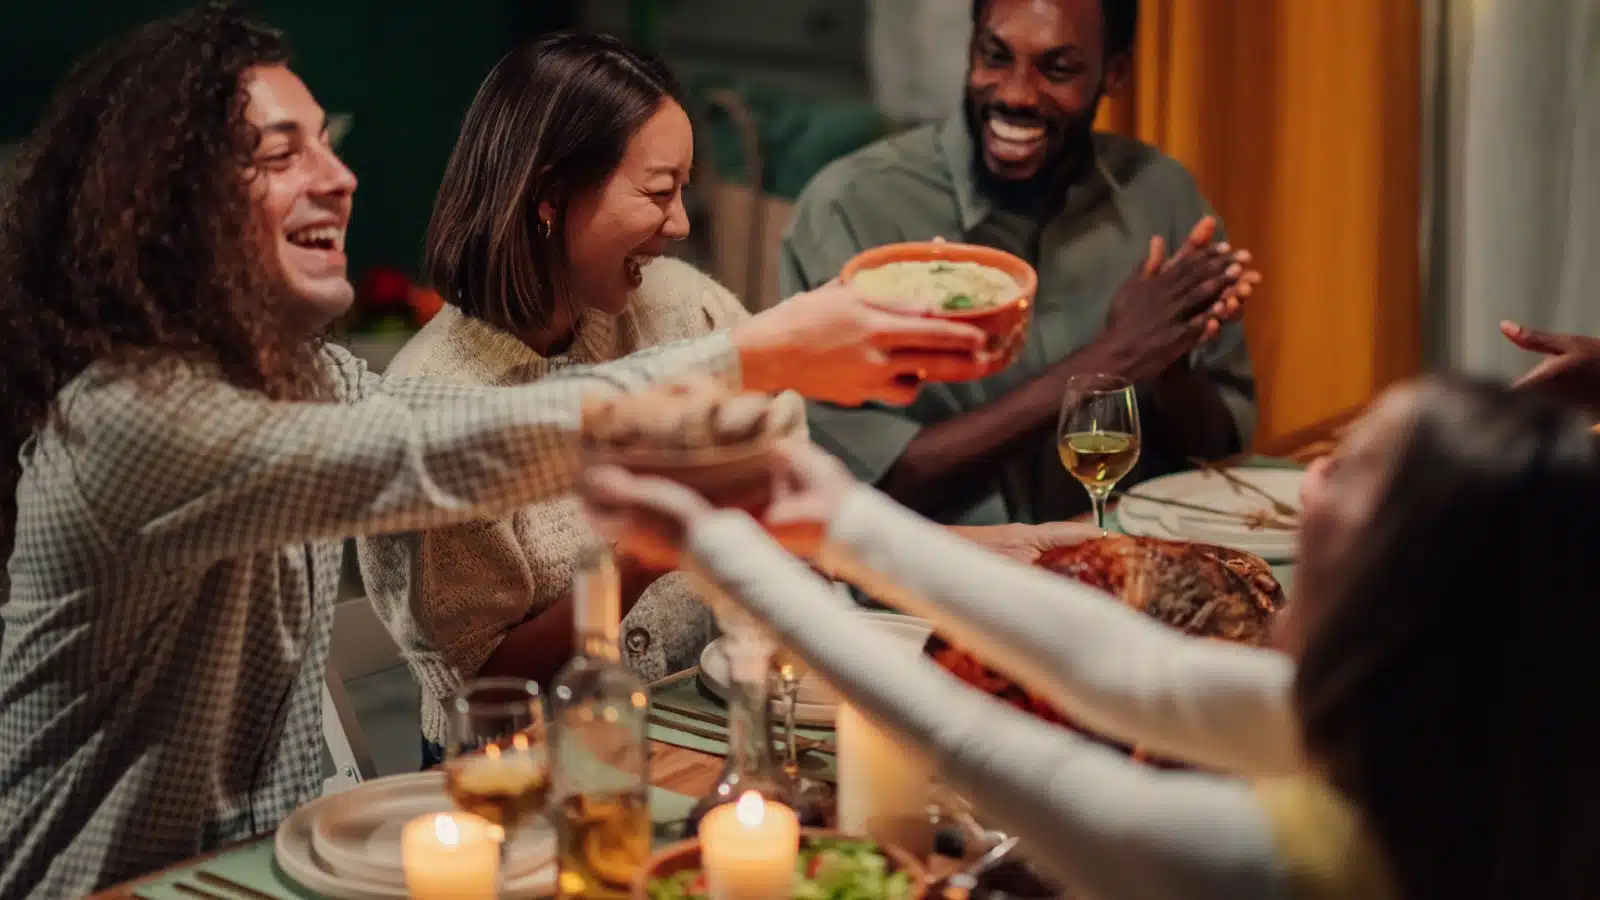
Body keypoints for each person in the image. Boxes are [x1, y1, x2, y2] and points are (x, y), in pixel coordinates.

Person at [0, 6, 991, 894]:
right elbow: (439, 451)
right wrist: (760, 352)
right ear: (169, 204)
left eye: (328, 145)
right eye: (280, 153)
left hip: (269, 862)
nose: (340, 177)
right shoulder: (127, 417)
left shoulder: (319, 379)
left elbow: (452, 432)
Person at [582, 376, 1600, 900]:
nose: (1310, 484)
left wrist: (721, 545)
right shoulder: (1441, 741)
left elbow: (969, 741)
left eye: (1354, 469)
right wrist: (835, 515)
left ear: (1410, 573)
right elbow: (1133, 668)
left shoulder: (1292, 864)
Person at [356, 33, 814, 769]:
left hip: (698, 724)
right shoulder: (433, 405)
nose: (681, 224)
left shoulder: (682, 307)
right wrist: (638, 561)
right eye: (659, 193)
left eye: (683, 190)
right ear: (550, 195)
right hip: (522, 771)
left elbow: (793, 482)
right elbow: (483, 686)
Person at [781, 0, 1261, 526]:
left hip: (1126, 556)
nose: (1016, 94)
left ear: (1115, 73)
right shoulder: (851, 209)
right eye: (996, 56)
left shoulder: (1161, 197)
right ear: (970, 49)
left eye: (1058, 69)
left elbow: (1216, 455)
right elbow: (857, 486)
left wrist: (1170, 360)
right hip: (929, 573)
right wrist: (1114, 359)